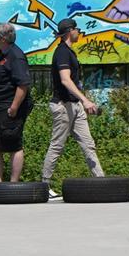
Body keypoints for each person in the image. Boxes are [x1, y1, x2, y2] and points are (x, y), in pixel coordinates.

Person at [41, 18, 104, 183]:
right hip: (63, 106)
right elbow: (65, 80)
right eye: (76, 29)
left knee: (88, 144)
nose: (79, 32)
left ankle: (101, 181)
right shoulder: (62, 52)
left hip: (75, 106)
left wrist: (82, 101)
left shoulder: (69, 52)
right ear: (70, 31)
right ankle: (44, 184)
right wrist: (85, 100)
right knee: (57, 146)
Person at [0, 22, 33, 183]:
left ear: (3, 38)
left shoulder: (15, 56)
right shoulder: (0, 53)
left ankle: (13, 183)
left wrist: (14, 107)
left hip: (8, 108)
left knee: (13, 144)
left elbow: (22, 84)